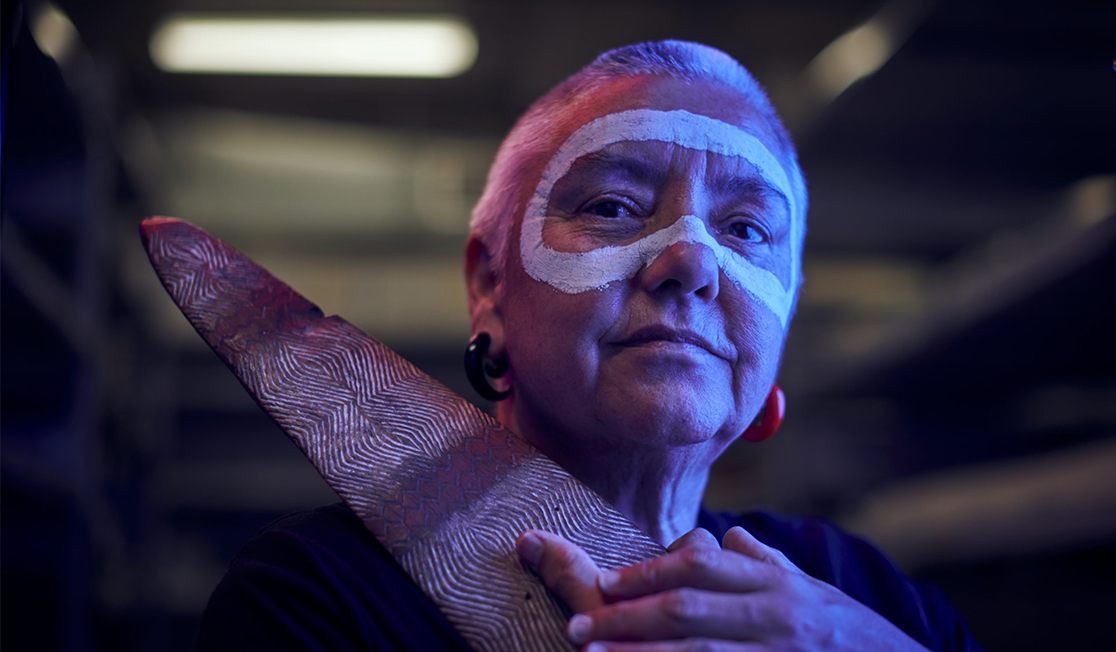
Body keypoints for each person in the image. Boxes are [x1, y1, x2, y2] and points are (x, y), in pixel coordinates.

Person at [195, 41, 983, 651]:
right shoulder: (316, 598)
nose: (692, 261)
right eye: (613, 205)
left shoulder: (872, 601)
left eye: (746, 229)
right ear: (489, 286)